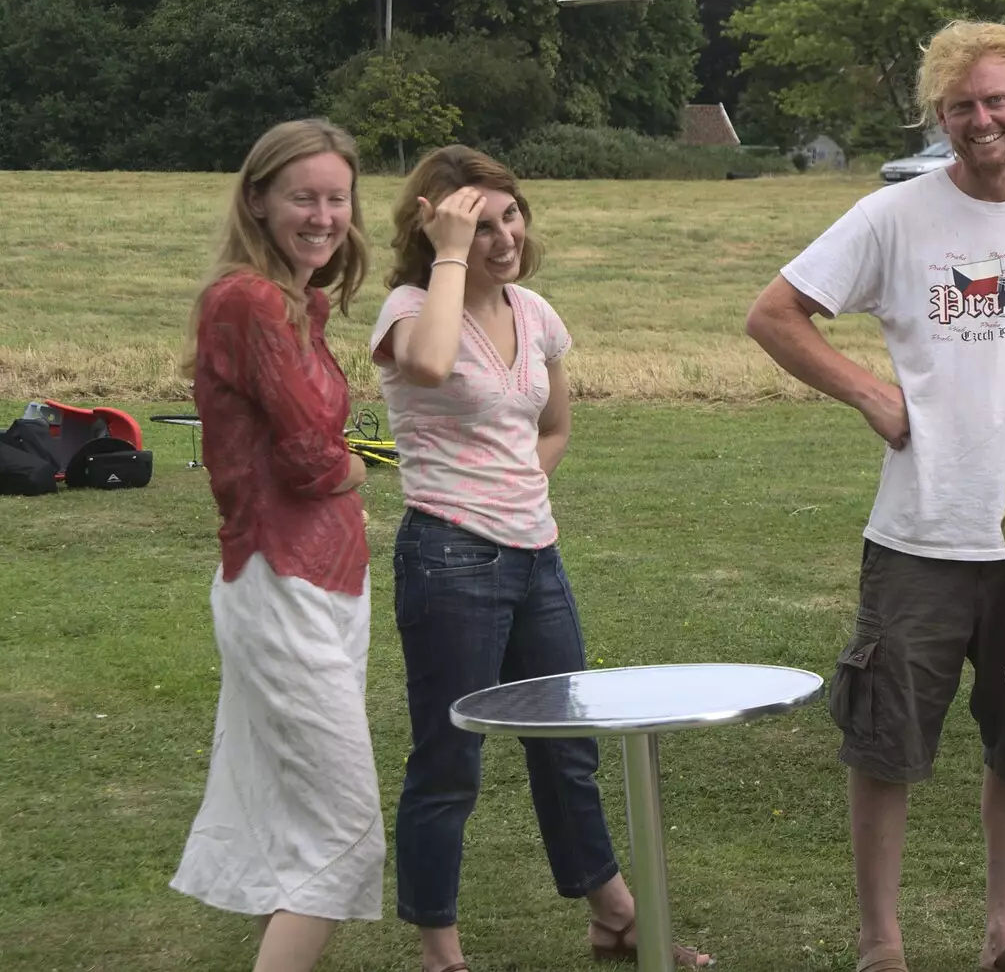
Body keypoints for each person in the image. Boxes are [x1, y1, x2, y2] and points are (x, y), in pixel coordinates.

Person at [746, 21, 1005, 972]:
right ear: (939, 117)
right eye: (960, 106)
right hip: (919, 534)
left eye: (997, 100)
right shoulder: (896, 217)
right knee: (886, 746)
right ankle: (880, 945)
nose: (981, 120)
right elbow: (774, 313)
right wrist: (868, 391)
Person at [369, 145, 713, 972]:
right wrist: (447, 252)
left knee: (568, 744)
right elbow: (425, 363)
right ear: (437, 229)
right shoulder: (409, 308)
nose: (502, 237)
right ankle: (440, 953)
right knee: (449, 756)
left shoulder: (536, 313)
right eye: (478, 224)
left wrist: (516, 489)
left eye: (510, 215)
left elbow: (551, 429)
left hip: (535, 556)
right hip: (449, 557)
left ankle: (614, 917)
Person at [171, 118, 382, 972]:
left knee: (292, 817)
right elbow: (306, 458)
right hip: (280, 579)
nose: (324, 215)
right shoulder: (249, 300)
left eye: (337, 198)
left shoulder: (301, 304)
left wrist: (342, 466)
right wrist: (355, 469)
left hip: (331, 580)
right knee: (345, 828)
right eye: (304, 197)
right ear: (257, 199)